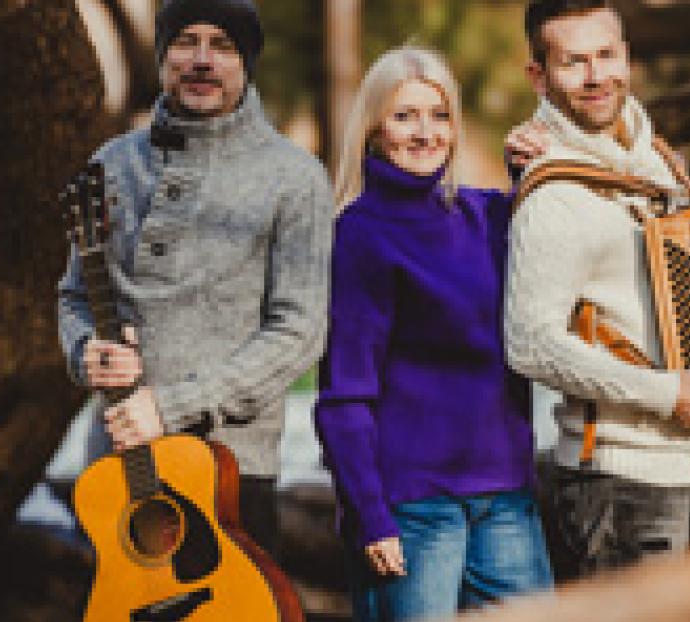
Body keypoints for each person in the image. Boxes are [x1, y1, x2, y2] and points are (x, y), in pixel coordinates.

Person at [57, 0, 333, 557]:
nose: (202, 60)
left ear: (246, 63)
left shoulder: (294, 177)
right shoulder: (112, 163)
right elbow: (75, 295)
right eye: (185, 41)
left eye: (223, 45)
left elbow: (298, 332)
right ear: (162, 57)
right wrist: (85, 349)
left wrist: (171, 407)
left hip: (230, 471)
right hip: (117, 467)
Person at [503, 0, 690, 580]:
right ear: (539, 76)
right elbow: (529, 343)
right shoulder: (554, 197)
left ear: (627, 57)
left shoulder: (657, 160)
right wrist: (666, 393)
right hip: (624, 484)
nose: (595, 76)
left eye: (606, 55)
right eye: (572, 62)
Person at [314, 47, 552, 622]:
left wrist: (533, 168)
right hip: (413, 508)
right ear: (373, 129)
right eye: (405, 116)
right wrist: (370, 514)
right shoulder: (361, 235)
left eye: (439, 115)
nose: (426, 133)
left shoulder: (488, 216)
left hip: (507, 499)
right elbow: (344, 394)